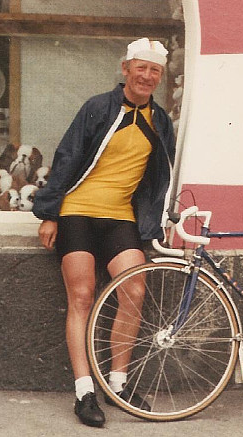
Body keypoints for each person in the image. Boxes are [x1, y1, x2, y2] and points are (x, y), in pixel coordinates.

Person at [33, 37, 175, 428]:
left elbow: (160, 178)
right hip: (77, 212)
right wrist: (50, 214)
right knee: (81, 297)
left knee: (135, 289)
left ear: (159, 77)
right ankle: (84, 390)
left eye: (155, 71)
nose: (147, 76)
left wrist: (153, 222)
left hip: (120, 217)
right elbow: (67, 156)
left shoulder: (159, 121)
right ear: (126, 69)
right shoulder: (98, 107)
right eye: (141, 68)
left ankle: (118, 383)